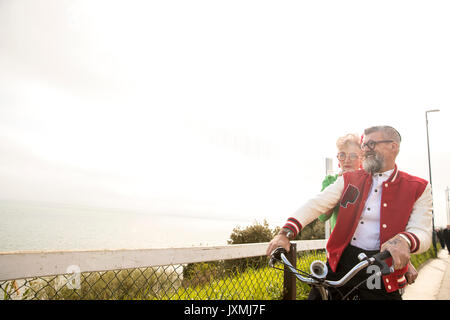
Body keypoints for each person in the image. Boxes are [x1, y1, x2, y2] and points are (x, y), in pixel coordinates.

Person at [266, 125, 433, 300]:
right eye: (364, 145)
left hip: (381, 266)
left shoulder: (418, 187)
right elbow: (316, 204)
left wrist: (405, 241)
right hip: (340, 262)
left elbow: (422, 231)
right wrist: (284, 233)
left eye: (371, 144)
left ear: (393, 146)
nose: (366, 150)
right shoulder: (348, 179)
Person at [318, 133, 362, 230]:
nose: (347, 160)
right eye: (342, 155)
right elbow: (322, 216)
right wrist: (338, 185)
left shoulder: (368, 181)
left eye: (353, 156)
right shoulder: (330, 181)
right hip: (339, 241)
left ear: (361, 159)